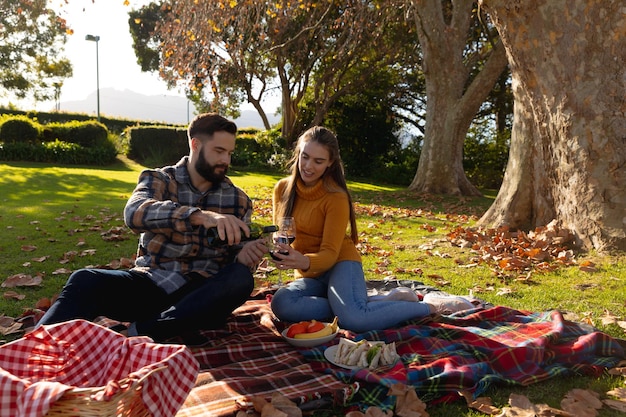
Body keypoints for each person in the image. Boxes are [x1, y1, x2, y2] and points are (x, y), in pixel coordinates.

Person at [37, 113, 268, 342]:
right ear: (195, 145)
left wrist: (244, 259)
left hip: (202, 295)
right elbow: (135, 212)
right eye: (219, 151)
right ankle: (32, 349)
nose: (226, 160)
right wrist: (200, 217)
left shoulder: (239, 200)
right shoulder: (159, 179)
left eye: (229, 153)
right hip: (151, 285)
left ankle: (136, 333)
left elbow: (235, 264)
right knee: (84, 280)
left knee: (240, 278)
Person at [269, 126, 475, 333]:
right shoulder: (282, 189)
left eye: (318, 161)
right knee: (282, 303)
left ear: (330, 163)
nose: (308, 166)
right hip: (309, 275)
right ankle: (369, 303)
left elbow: (330, 254)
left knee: (356, 320)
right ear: (298, 153)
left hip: (340, 263)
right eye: (305, 157)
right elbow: (279, 234)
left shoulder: (335, 197)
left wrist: (303, 260)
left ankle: (429, 306)